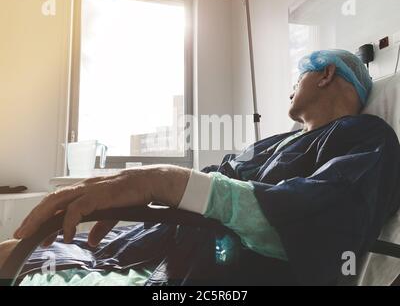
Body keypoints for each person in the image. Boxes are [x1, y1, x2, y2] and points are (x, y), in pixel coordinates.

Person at [1, 50, 400, 285]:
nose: (290, 88)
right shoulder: (279, 141)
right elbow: (218, 174)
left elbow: (323, 217)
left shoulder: (366, 137)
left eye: (299, 77)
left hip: (200, 272)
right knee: (15, 248)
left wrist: (165, 180)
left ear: (326, 73)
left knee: (15, 258)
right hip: (154, 240)